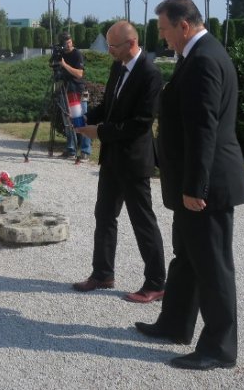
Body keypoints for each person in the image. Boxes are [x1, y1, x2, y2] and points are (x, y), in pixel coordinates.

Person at [135, 0, 244, 371]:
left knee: (213, 266)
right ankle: (175, 324)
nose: (164, 37)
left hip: (206, 186)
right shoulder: (198, 55)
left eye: (166, 29)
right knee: (186, 257)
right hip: (192, 181)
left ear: (184, 25)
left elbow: (205, 130)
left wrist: (194, 188)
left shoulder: (203, 60)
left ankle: (219, 348)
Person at [72, 21, 166, 303]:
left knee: (142, 221)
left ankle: (156, 282)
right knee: (104, 215)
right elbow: (108, 108)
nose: (109, 50)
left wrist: (99, 132)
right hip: (112, 158)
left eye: (113, 46)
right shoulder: (118, 67)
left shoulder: (150, 74)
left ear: (131, 43)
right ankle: (102, 272)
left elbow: (140, 123)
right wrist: (86, 119)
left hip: (134, 160)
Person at [54, 31, 91, 159]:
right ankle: (71, 150)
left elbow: (79, 74)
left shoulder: (77, 54)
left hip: (78, 91)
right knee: (68, 121)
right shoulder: (61, 54)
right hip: (66, 90)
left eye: (70, 42)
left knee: (81, 121)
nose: (68, 45)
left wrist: (64, 65)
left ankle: (85, 151)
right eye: (66, 43)